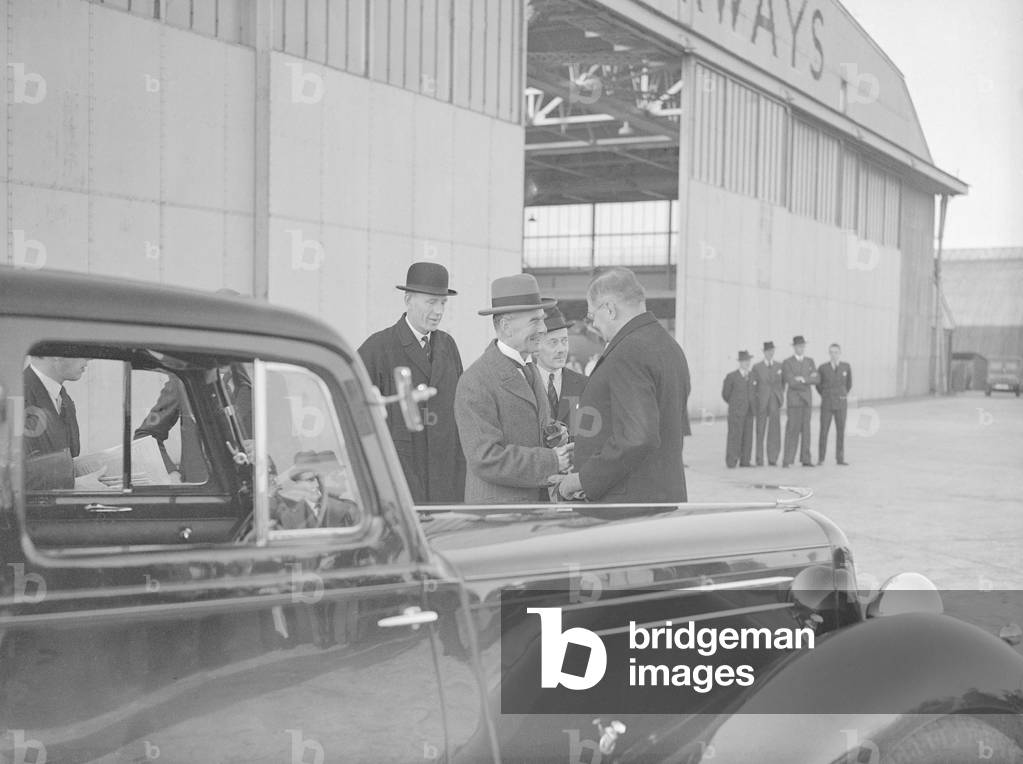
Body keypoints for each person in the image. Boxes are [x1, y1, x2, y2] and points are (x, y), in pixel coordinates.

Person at [556, 267, 690, 503]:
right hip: (661, 497)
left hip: (627, 506)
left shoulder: (628, 352)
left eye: (592, 315)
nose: (593, 324)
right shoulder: (668, 346)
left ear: (609, 309)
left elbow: (637, 437)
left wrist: (584, 480)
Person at [454, 274, 572, 503]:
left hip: (529, 513)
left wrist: (554, 434)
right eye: (534, 321)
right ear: (506, 327)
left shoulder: (531, 369)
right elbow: (485, 458)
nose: (543, 328)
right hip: (499, 518)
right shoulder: (475, 381)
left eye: (542, 320)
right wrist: (552, 461)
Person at [359, 262, 465, 504]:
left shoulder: (448, 346)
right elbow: (359, 416)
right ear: (408, 300)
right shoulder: (377, 348)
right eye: (431, 302)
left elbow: (459, 412)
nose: (438, 311)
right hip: (400, 477)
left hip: (445, 480)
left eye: (443, 303)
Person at [23, 356, 106, 490]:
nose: (89, 359)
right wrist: (72, 485)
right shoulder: (14, 396)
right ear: (56, 353)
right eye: (80, 349)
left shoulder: (63, 398)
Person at [533, 306, 587, 434]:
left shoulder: (586, 385)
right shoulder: (524, 385)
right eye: (553, 342)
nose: (562, 349)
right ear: (535, 348)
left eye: (564, 341)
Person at [782, 335, 819, 468]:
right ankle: (787, 460)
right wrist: (807, 379)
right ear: (794, 347)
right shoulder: (787, 362)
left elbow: (817, 379)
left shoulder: (810, 361)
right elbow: (791, 381)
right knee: (792, 430)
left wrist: (803, 379)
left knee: (806, 430)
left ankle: (806, 459)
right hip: (794, 402)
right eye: (798, 346)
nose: (800, 348)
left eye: (802, 346)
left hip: (806, 402)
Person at [817, 343, 852, 465]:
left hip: (841, 404)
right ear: (829, 353)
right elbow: (818, 385)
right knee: (824, 431)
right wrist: (826, 395)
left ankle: (840, 458)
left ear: (840, 353)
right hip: (827, 403)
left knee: (841, 431)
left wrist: (841, 394)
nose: (834, 354)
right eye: (831, 352)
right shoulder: (823, 368)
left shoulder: (846, 367)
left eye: (836, 352)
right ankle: (821, 458)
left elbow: (848, 384)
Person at [722, 350, 757, 468]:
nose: (747, 363)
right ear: (740, 362)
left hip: (749, 411)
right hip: (736, 412)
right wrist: (735, 404)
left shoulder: (752, 375)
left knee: (747, 437)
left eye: (748, 361)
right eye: (744, 361)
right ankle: (731, 461)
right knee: (734, 436)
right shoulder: (732, 376)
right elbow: (725, 394)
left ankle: (745, 461)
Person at [752, 341, 784, 466]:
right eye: (768, 351)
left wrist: (780, 397)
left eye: (772, 351)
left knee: (774, 431)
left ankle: (773, 458)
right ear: (764, 352)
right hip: (762, 402)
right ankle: (759, 459)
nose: (770, 353)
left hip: (774, 401)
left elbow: (783, 383)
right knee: (760, 430)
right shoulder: (757, 367)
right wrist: (756, 402)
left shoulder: (779, 366)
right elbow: (753, 387)